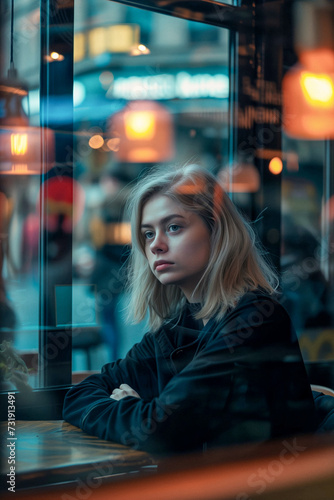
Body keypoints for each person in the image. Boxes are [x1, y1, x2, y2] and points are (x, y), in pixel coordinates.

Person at [63, 164, 316, 455]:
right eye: (147, 234)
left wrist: (131, 406)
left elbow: (160, 430)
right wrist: (143, 412)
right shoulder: (177, 327)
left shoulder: (256, 320)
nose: (156, 245)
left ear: (216, 231)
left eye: (173, 227)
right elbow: (79, 395)